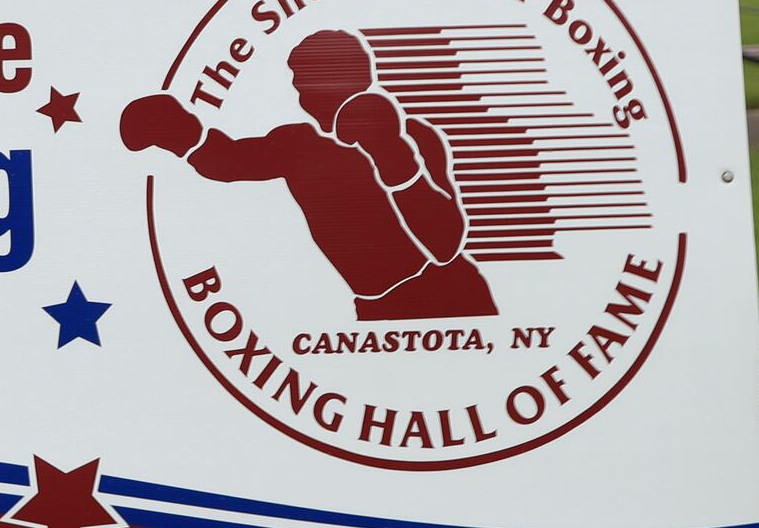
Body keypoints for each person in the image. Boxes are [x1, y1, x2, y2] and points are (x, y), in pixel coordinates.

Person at [121, 27, 497, 320]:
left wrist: (392, 153)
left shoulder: (415, 136)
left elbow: (446, 245)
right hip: (374, 306)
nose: (309, 99)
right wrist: (176, 130)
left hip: (447, 293)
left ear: (355, 80)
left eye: (316, 85)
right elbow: (229, 161)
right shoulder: (298, 144)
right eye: (302, 89)